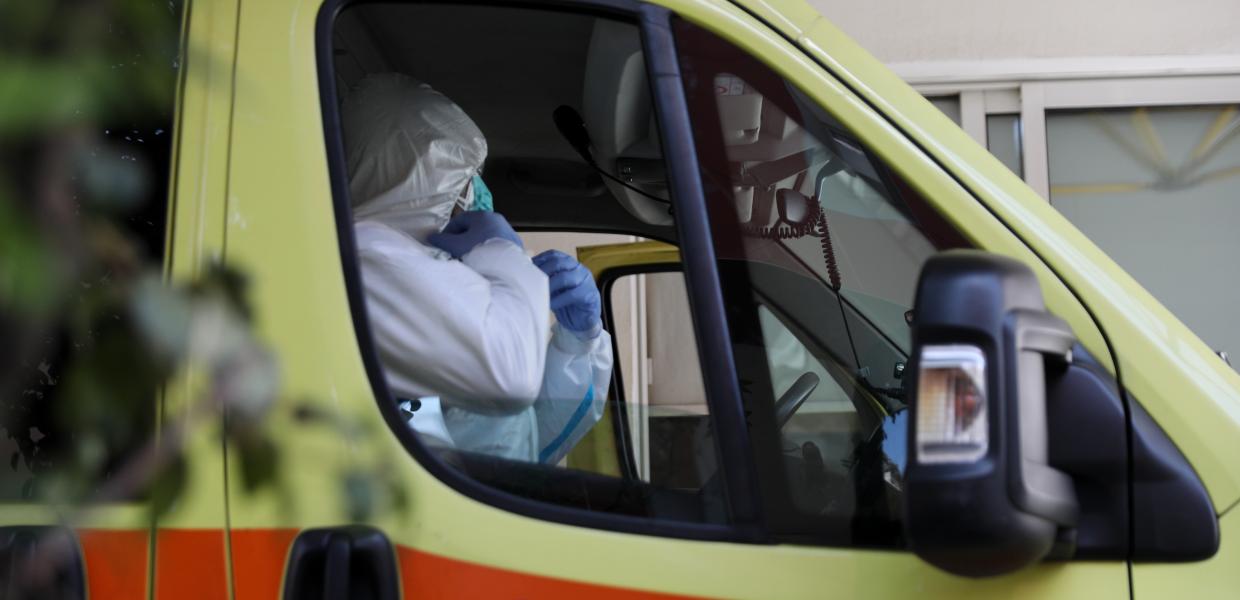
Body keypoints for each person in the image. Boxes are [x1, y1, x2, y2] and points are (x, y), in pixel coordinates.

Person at [342, 73, 612, 465]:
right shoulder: (364, 270)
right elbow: (509, 383)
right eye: (464, 181)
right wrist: (502, 254)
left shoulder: (439, 283)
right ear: (415, 187)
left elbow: (526, 442)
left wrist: (577, 344)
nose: (477, 198)